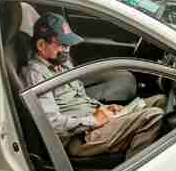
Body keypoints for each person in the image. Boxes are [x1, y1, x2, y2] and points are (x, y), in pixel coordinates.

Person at [22, 13, 168, 159]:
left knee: (161, 100)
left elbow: (80, 98)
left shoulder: (61, 63)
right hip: (80, 137)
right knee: (153, 116)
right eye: (62, 45)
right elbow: (51, 124)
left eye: (69, 45)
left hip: (93, 118)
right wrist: (94, 121)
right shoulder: (36, 74)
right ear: (41, 45)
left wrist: (104, 108)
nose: (67, 50)